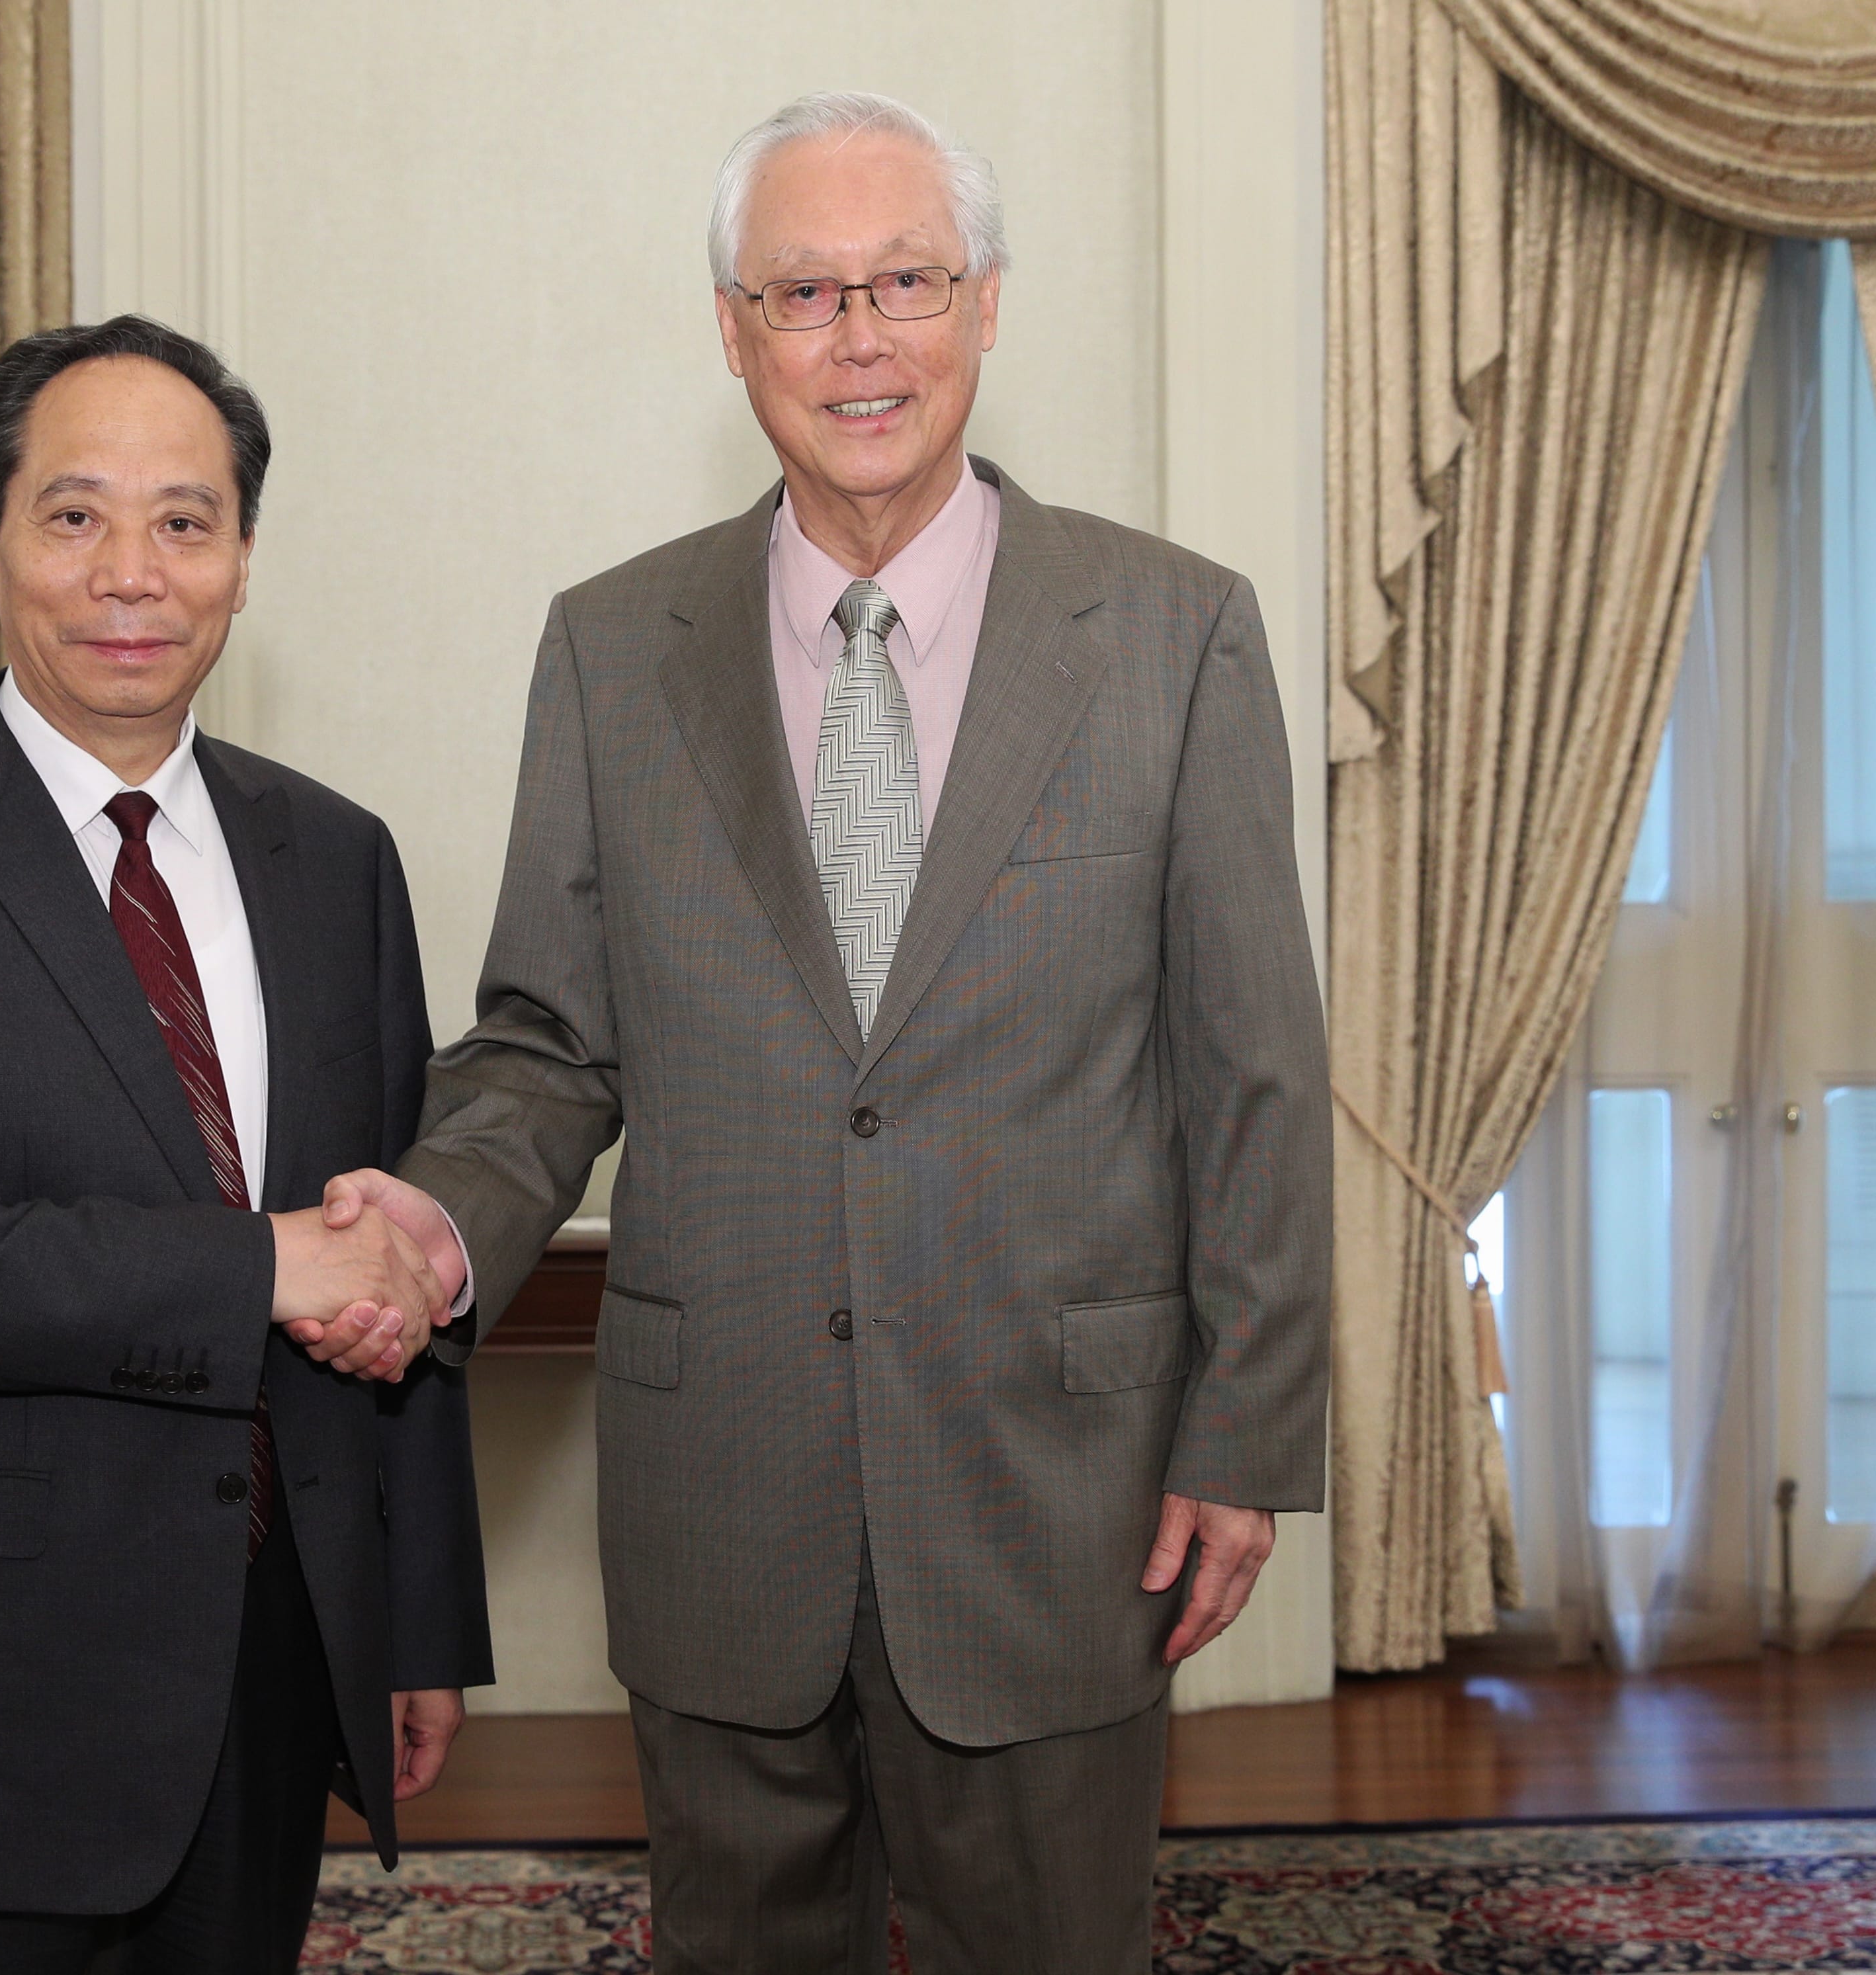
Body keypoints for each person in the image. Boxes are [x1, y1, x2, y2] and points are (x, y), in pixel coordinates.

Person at [326, 91, 1332, 1973]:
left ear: (987, 306)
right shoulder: (613, 647)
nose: (860, 337)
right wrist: (435, 1224)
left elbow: (1253, 1065)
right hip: (727, 1499)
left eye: (906, 282)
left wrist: (1244, 1429)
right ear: (733, 332)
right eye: (804, 292)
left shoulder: (1176, 633)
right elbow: (548, 1040)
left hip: (1062, 1494)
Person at [0, 316, 490, 1974]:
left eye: (184, 521)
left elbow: (391, 1231)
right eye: (74, 515)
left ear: (244, 558)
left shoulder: (336, 859)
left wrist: (411, 1621)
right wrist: (253, 1261)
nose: (132, 570)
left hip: (270, 1667)